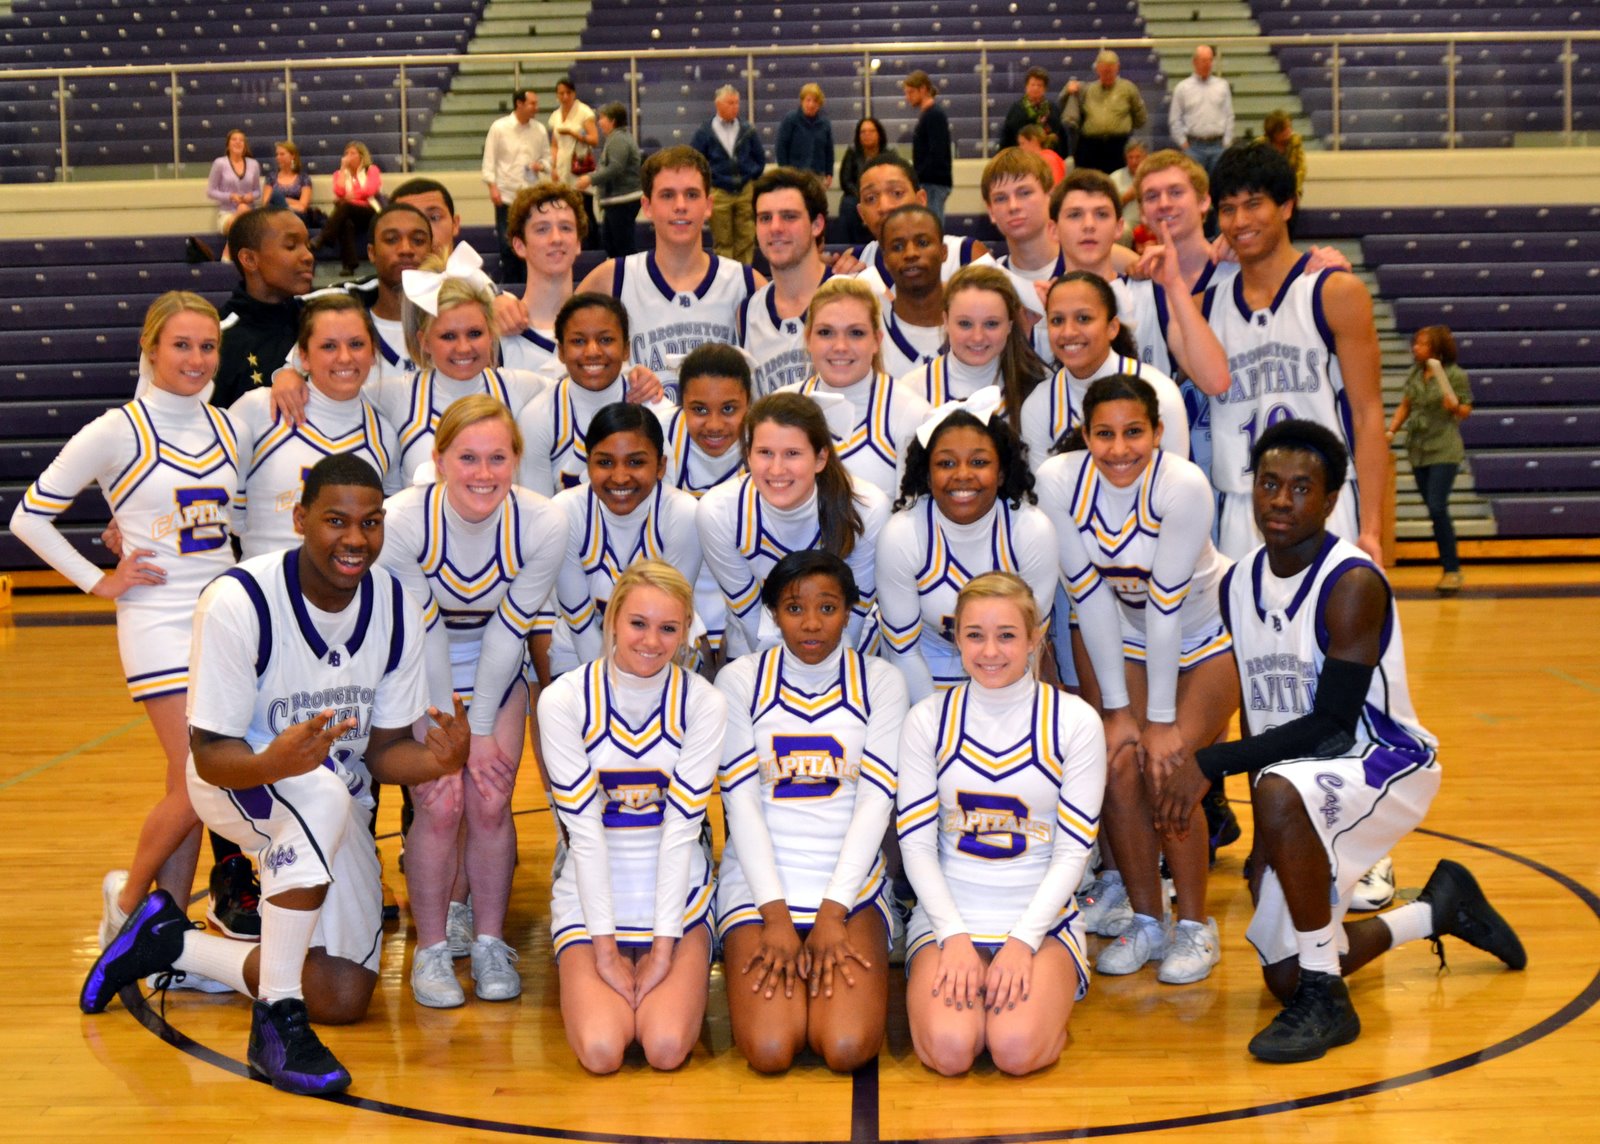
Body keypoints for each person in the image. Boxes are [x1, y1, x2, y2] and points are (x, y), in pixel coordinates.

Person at [79, 455, 471, 1095]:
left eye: (370, 523)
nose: (354, 539)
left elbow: (381, 750)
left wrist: (436, 761)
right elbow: (206, 755)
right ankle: (277, 1020)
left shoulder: (398, 606)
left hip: (333, 808)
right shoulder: (238, 600)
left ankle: (170, 945)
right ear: (299, 519)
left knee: (345, 996)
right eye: (336, 520)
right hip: (235, 783)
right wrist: (274, 765)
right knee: (316, 790)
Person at [1151, 420, 1525, 1062]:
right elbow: (1259, 713)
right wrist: (1265, 837)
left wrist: (1213, 766)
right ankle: (1435, 911)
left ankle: (1329, 1003)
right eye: (1269, 484)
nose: (1280, 500)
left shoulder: (1351, 584)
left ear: (1329, 500)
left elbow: (1331, 725)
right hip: (1296, 780)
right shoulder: (1237, 582)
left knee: (1306, 954)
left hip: (1382, 763)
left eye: (1301, 489)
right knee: (1281, 976)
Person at [12, 292, 237, 958]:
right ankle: (130, 900)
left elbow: (228, 528)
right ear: (152, 350)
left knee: (187, 784)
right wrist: (98, 580)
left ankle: (164, 930)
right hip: (158, 617)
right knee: (202, 776)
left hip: (222, 617)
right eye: (181, 345)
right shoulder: (118, 430)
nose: (195, 359)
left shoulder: (228, 428)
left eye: (207, 347)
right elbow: (30, 516)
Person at [1036, 375, 1240, 984]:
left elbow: (1167, 607)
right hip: (1126, 637)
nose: (1119, 448)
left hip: (1208, 639)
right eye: (1104, 434)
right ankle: (1148, 919)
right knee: (1118, 761)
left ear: (1156, 433)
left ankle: (1197, 926)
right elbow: (1091, 599)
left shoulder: (1183, 486)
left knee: (1169, 766)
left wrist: (1156, 723)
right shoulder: (1057, 483)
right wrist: (1121, 716)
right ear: (1084, 433)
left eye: (1133, 433)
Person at [380, 396, 565, 1008]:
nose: (483, 473)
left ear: (517, 459)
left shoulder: (542, 523)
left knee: (489, 798)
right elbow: (423, 632)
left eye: (497, 457)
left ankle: (488, 941)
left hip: (496, 665)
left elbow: (510, 631)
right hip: (416, 672)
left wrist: (481, 730)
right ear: (437, 460)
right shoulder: (403, 519)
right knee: (438, 800)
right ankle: (430, 951)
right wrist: (447, 733)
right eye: (467, 457)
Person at [896, 572, 1106, 1076]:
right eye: (975, 635)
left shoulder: (1076, 722)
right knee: (949, 1051)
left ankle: (1041, 1002)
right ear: (957, 638)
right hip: (950, 915)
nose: (990, 651)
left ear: (1036, 638)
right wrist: (954, 936)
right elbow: (917, 847)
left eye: (1007, 635)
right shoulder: (927, 719)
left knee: (1013, 1050)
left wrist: (1021, 942)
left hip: (1040, 919)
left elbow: (1073, 852)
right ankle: (981, 994)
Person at [715, 551, 907, 1072]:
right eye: (795, 608)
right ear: (774, 614)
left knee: (846, 1047)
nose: (812, 623)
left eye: (828, 607)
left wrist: (832, 911)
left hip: (848, 888)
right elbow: (741, 804)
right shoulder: (738, 680)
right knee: (771, 1050)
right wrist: (774, 916)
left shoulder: (882, 681)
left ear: (849, 612)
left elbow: (875, 802)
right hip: (759, 886)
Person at [539, 560, 726, 1073]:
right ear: (613, 622)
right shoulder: (563, 701)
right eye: (638, 624)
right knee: (601, 1052)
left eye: (669, 628)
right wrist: (604, 951)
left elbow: (682, 832)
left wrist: (663, 950)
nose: (651, 641)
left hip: (677, 892)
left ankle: (674, 952)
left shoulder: (704, 703)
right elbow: (583, 834)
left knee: (665, 1048)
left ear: (686, 631)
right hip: (591, 892)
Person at [1197, 143, 1387, 566]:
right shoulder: (1204, 307)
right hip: (1239, 509)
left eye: (1253, 205)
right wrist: (1211, 265)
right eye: (1228, 209)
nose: (1240, 221)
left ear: (1286, 206)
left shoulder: (1335, 293)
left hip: (1324, 506)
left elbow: (1368, 414)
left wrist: (1372, 528)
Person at [877, 394, 1057, 702]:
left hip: (1009, 670)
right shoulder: (902, 535)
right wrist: (939, 725)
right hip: (924, 672)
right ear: (927, 474)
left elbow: (1027, 645)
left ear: (1001, 472)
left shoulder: (1032, 531)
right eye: (946, 463)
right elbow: (903, 651)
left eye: (979, 462)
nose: (962, 474)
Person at [697, 392, 890, 656]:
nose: (776, 470)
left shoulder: (867, 509)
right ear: (748, 455)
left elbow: (853, 614)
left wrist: (830, 675)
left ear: (820, 458)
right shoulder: (718, 511)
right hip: (755, 648)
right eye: (765, 453)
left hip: (848, 647)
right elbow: (748, 613)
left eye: (792, 454)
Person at [230, 294, 402, 559]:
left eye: (356, 344)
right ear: (304, 357)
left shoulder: (383, 434)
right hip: (264, 591)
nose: (345, 358)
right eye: (329, 346)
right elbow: (227, 515)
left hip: (344, 594)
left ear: (373, 354)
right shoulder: (258, 410)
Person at [577, 146, 761, 391]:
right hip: (642, 427)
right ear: (647, 206)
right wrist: (508, 303)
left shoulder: (746, 283)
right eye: (667, 195)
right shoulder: (611, 278)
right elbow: (562, 340)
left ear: (708, 205)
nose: (680, 205)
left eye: (692, 195)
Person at [546, 403, 702, 674]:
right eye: (605, 462)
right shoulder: (564, 512)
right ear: (588, 463)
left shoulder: (683, 513)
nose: (619, 477)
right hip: (579, 649)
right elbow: (579, 620)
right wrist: (607, 692)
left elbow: (670, 614)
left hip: (663, 648)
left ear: (661, 466)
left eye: (636, 462)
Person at [375, 249, 548, 482]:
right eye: (448, 336)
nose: (464, 348)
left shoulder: (523, 389)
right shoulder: (394, 396)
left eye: (475, 333)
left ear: (491, 334)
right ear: (424, 341)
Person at [779, 277, 931, 497]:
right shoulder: (781, 406)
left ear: (877, 341)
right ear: (808, 338)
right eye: (826, 332)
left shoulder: (911, 412)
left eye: (856, 333)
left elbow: (912, 517)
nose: (840, 346)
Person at [1026, 271, 1189, 469]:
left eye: (1084, 318)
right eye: (1057, 321)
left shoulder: (1160, 391)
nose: (1068, 332)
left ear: (1112, 327)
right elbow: (1044, 494)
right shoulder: (1039, 403)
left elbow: (1174, 483)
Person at [662, 344, 753, 662]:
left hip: (749, 620)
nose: (714, 424)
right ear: (680, 404)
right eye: (699, 409)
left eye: (729, 409)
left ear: (749, 404)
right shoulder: (659, 436)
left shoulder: (770, 447)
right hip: (673, 622)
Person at [518, 292, 658, 495]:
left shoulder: (653, 406)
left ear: (626, 349)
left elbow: (664, 501)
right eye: (578, 341)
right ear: (561, 352)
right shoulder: (536, 418)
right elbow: (537, 514)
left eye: (606, 339)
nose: (592, 351)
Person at [899, 264, 1048, 426]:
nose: (978, 337)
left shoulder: (1039, 385)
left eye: (991, 324)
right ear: (945, 321)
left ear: (1010, 325)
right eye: (965, 324)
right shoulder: (913, 389)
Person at [1387, 325, 1473, 594]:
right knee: (1435, 511)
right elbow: (1406, 404)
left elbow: (1465, 409)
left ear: (1436, 348)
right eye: (1415, 343)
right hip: (1418, 449)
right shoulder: (1415, 373)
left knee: (1437, 506)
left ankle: (1452, 570)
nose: (1416, 348)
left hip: (1444, 448)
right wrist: (1390, 431)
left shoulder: (1455, 375)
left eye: (1422, 344)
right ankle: (1449, 567)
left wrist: (1456, 407)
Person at [739, 167, 832, 396]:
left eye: (789, 216)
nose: (776, 228)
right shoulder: (747, 313)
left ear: (817, 225)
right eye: (765, 218)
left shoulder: (853, 295)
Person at [847, 155, 994, 299]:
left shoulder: (965, 254)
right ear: (861, 214)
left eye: (897, 193)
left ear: (921, 200)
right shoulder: (854, 263)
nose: (884, 206)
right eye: (870, 198)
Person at [212, 207, 316, 408]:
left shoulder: (319, 320)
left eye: (308, 245)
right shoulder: (216, 338)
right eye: (291, 245)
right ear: (250, 259)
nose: (308, 256)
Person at [498, 182, 587, 377]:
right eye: (542, 229)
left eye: (566, 228)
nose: (556, 238)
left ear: (578, 243)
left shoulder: (600, 330)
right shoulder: (500, 337)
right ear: (520, 245)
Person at [481, 90, 552, 284]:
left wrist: (542, 166)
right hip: (506, 195)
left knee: (531, 243)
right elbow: (489, 160)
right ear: (519, 104)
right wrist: (492, 187)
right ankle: (512, 287)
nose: (536, 108)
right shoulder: (499, 127)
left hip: (531, 196)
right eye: (532, 103)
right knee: (508, 245)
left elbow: (548, 159)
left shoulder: (539, 129)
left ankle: (530, 285)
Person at [876, 204, 954, 380]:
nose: (910, 254)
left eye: (922, 243)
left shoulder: (974, 328)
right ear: (885, 260)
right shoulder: (870, 330)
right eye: (897, 247)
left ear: (943, 252)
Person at [692, 86, 767, 264]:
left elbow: (760, 158)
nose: (735, 107)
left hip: (745, 190)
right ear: (718, 104)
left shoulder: (747, 129)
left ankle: (745, 276)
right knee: (723, 240)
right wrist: (710, 182)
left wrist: (750, 176)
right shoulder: (705, 132)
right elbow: (696, 161)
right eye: (730, 103)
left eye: (737, 103)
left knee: (746, 237)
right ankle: (726, 278)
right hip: (719, 192)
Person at [982, 147, 1064, 306]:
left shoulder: (1084, 271)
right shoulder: (988, 285)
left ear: (1049, 197)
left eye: (1024, 193)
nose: (1013, 206)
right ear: (991, 211)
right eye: (1000, 198)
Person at [1065, 50, 1148, 176]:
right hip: (1090, 147)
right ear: (1097, 69)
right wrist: (1068, 90)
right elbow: (1070, 114)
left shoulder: (1129, 89)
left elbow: (1140, 118)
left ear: (1117, 69)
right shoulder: (1086, 89)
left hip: (1118, 146)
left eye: (1111, 71)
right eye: (1104, 71)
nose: (1107, 74)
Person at [579, 102, 642, 259]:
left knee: (622, 246)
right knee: (612, 244)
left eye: (602, 118)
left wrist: (590, 178)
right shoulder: (618, 138)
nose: (599, 122)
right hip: (618, 200)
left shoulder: (618, 140)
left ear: (612, 121)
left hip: (622, 200)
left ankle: (629, 279)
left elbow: (615, 168)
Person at [310, 141, 383, 277]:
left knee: (346, 206)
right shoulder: (339, 174)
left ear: (361, 156)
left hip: (369, 211)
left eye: (352, 153)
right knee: (346, 223)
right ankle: (349, 265)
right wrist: (343, 169)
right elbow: (339, 191)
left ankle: (324, 237)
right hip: (350, 213)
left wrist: (349, 197)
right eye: (346, 153)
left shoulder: (371, 170)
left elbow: (370, 190)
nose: (348, 156)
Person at [1168, 45, 1234, 177]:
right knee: (1195, 186)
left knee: (1219, 186)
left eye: (1210, 60)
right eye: (1203, 60)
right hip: (1194, 147)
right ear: (1194, 62)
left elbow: (1229, 115)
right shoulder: (1182, 88)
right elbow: (1175, 119)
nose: (1207, 64)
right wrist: (1184, 144)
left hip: (1218, 146)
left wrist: (1227, 142)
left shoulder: (1222, 86)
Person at [902, 71, 953, 221]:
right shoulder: (930, 114)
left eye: (910, 92)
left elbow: (936, 152)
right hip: (931, 181)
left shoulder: (934, 115)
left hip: (933, 182)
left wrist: (919, 175)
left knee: (932, 226)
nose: (907, 97)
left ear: (923, 89)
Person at [837, 117, 894, 246]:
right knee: (848, 204)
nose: (867, 135)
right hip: (856, 195)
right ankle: (849, 247)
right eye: (863, 132)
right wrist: (862, 196)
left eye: (871, 131)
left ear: (879, 134)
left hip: (882, 194)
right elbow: (845, 181)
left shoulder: (889, 155)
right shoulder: (852, 153)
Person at [208, 129, 263, 246]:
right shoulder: (220, 163)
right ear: (228, 144)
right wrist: (230, 196)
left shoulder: (253, 164)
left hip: (248, 212)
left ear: (245, 145)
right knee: (242, 219)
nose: (238, 142)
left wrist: (250, 196)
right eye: (234, 139)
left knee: (243, 209)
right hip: (227, 213)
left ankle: (228, 254)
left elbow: (258, 191)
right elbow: (210, 192)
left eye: (241, 140)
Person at [776, 83, 835, 189]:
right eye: (808, 100)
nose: (811, 104)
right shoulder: (790, 120)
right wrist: (785, 173)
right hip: (794, 176)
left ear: (819, 104)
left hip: (817, 176)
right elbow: (781, 148)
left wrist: (829, 172)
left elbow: (829, 150)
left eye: (815, 101)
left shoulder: (825, 123)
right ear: (802, 101)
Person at [1000, 67, 1069, 156]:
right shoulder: (1016, 109)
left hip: (1048, 157)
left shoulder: (1053, 109)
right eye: (1032, 85)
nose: (1036, 88)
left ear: (1045, 89)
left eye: (1039, 85)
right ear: (1026, 87)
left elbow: (1061, 136)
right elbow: (1007, 136)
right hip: (1022, 158)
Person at [262, 140, 313, 228]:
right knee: (275, 196)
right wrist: (291, 202)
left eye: (282, 154)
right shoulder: (271, 177)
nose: (278, 157)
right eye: (277, 154)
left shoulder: (303, 178)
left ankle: (284, 209)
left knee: (277, 196)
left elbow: (303, 206)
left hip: (297, 215)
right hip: (275, 214)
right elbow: (266, 203)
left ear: (292, 156)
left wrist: (282, 201)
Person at [1261, 110, 1307, 203]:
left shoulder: (1295, 142)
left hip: (1291, 190)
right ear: (1274, 132)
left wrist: (1295, 189)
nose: (1289, 131)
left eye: (1290, 127)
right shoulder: (1261, 145)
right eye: (1284, 129)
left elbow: (1301, 169)